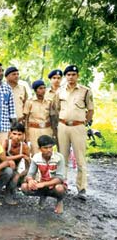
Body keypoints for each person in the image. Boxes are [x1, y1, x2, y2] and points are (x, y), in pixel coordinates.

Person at [53, 65, 94, 201]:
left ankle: (81, 189)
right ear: (66, 76)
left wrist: (83, 122)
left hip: (78, 127)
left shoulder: (85, 91)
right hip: (63, 126)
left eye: (73, 74)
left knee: (80, 158)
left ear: (77, 76)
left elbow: (90, 110)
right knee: (62, 157)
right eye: (68, 75)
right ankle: (62, 184)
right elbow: (56, 108)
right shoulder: (60, 91)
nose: (71, 77)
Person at [21, 135, 67, 214]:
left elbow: (60, 178)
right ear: (40, 149)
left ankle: (60, 201)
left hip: (55, 185)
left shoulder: (59, 157)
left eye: (50, 147)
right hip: (42, 184)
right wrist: (30, 180)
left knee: (60, 188)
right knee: (24, 187)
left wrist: (43, 184)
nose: (49, 150)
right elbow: (30, 174)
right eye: (45, 148)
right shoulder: (36, 157)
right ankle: (43, 196)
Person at [23, 80, 55, 155]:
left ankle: (47, 167)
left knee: (48, 152)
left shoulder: (49, 102)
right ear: (35, 90)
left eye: (44, 88)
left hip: (47, 129)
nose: (43, 90)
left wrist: (54, 132)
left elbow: (53, 118)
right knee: (36, 152)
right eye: (40, 88)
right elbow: (26, 119)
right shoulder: (29, 102)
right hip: (34, 130)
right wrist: (26, 135)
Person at [2, 123, 30, 205]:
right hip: (2, 168)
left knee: (15, 177)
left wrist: (20, 175)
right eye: (14, 134)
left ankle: (9, 193)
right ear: (10, 133)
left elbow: (28, 167)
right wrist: (20, 155)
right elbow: (2, 158)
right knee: (9, 171)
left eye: (19, 134)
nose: (16, 137)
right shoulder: (6, 143)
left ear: (23, 135)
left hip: (14, 171)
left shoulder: (25, 147)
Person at [45, 69, 63, 143]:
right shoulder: (45, 92)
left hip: (62, 122)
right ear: (50, 79)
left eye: (59, 78)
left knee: (63, 146)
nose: (56, 80)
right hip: (49, 123)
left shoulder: (65, 91)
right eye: (54, 78)